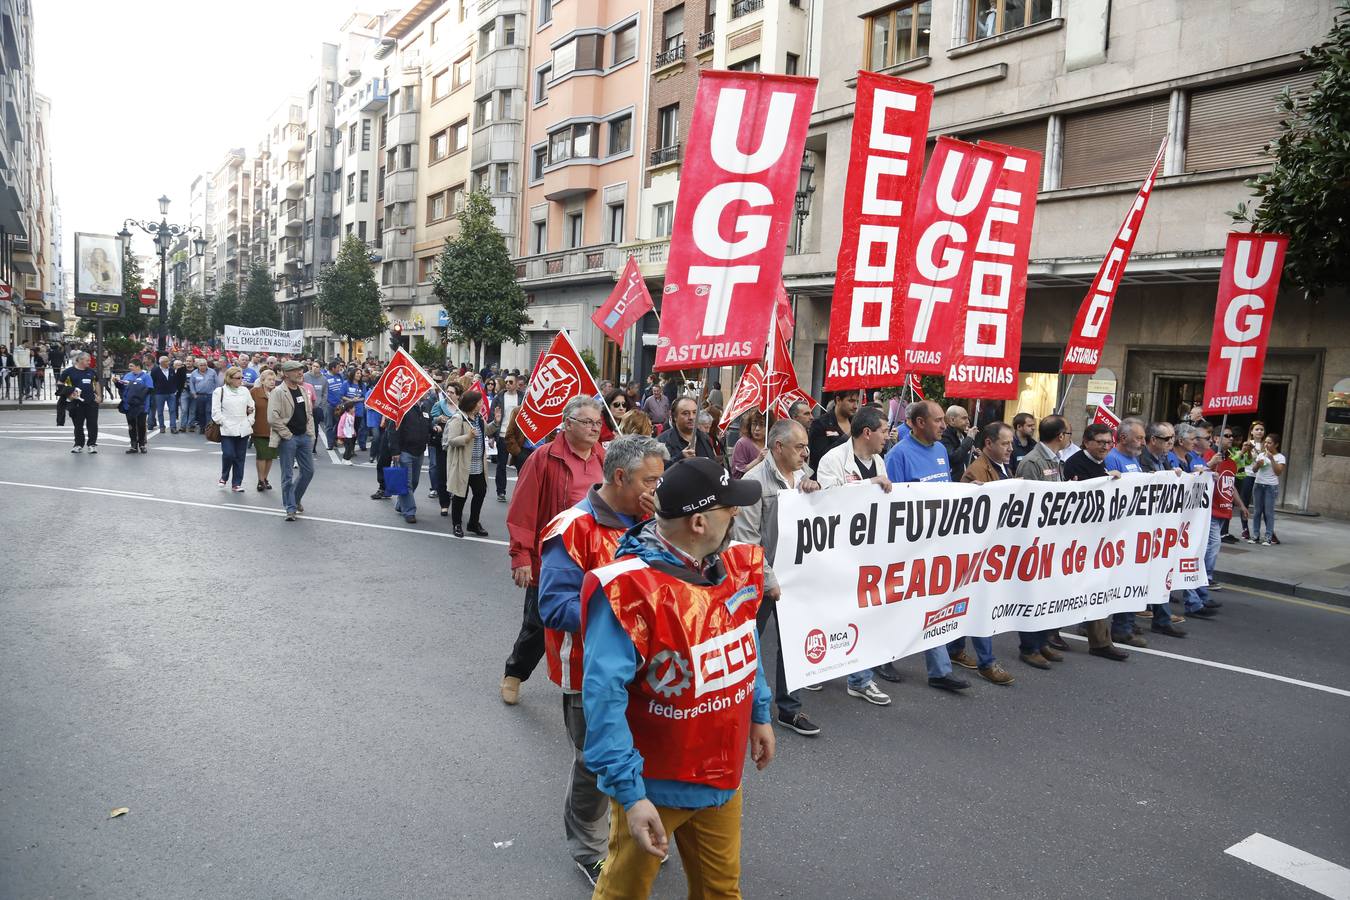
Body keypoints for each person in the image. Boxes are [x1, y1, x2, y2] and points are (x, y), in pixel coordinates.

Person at [582, 458, 773, 898]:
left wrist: (759, 712)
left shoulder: (728, 565)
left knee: (721, 892)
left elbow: (745, 640)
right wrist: (631, 796)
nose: (739, 516)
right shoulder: (628, 590)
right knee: (624, 892)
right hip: (656, 786)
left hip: (721, 778)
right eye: (731, 509)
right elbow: (603, 699)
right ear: (701, 522)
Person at [536, 435, 666, 887]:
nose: (658, 488)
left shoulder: (653, 521)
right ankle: (588, 849)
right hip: (588, 675)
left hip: (646, 672)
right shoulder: (571, 528)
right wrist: (622, 616)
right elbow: (552, 606)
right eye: (651, 480)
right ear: (619, 478)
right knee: (595, 764)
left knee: (638, 755)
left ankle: (630, 826)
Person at [734, 419, 849, 737]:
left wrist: (815, 493)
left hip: (796, 578)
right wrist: (769, 580)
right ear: (778, 447)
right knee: (748, 643)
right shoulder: (753, 481)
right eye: (799, 447)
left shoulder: (806, 477)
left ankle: (790, 709)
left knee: (794, 642)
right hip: (759, 579)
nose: (806, 453)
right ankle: (742, 706)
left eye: (806, 446)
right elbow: (747, 540)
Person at [501, 396, 607, 706]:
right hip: (553, 557)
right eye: (587, 422)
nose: (594, 428)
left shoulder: (605, 459)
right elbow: (522, 511)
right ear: (568, 423)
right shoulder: (544, 459)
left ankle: (586, 680)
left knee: (594, 620)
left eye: (598, 423)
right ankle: (515, 673)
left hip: (595, 557)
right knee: (538, 622)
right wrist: (521, 556)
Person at [879, 401, 977, 691]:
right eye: (937, 421)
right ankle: (883, 657)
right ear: (919, 423)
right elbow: (889, 505)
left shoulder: (940, 451)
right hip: (907, 545)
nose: (944, 426)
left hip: (937, 542)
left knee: (933, 603)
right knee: (899, 604)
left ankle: (940, 671)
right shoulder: (898, 455)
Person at [1013, 415, 1078, 666]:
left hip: (1053, 537)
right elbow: (1028, 503)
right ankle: (1029, 647)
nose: (1070, 439)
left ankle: (1042, 642)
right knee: (1033, 593)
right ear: (1061, 436)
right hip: (1035, 539)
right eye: (1069, 434)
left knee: (1048, 594)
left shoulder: (1056, 460)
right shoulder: (1033, 462)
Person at [268, 361, 316, 522]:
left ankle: (295, 499)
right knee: (287, 474)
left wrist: (310, 433)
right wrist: (286, 434)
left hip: (304, 437)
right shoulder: (278, 392)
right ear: (286, 374)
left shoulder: (302, 390)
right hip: (288, 438)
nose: (300, 373)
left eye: (301, 370)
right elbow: (272, 417)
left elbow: (308, 413)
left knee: (308, 471)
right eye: (296, 371)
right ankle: (290, 508)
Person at [446, 390, 490, 537]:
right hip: (463, 464)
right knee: (460, 496)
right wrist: (467, 436)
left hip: (478, 465)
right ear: (473, 404)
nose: (482, 404)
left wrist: (496, 423)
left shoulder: (478, 417)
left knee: (480, 492)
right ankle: (457, 524)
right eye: (480, 402)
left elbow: (487, 430)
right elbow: (451, 440)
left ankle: (473, 523)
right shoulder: (459, 418)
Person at [387, 391, 433, 525]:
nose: (428, 393)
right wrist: (395, 451)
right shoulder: (403, 407)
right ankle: (410, 511)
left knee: (414, 482)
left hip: (419, 451)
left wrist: (433, 427)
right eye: (425, 391)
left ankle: (401, 504)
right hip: (404, 451)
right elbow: (393, 430)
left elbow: (426, 424)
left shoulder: (425, 407)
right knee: (406, 483)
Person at [213, 366, 256, 492]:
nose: (241, 380)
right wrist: (223, 422)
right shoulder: (220, 391)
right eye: (238, 378)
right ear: (229, 379)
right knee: (228, 454)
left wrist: (250, 420)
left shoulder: (245, 391)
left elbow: (252, 407)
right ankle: (224, 476)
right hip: (227, 429)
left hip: (243, 428)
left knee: (240, 457)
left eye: (242, 378)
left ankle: (236, 483)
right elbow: (215, 411)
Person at [58, 352, 101, 453]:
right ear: (80, 360)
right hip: (76, 403)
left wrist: (99, 396)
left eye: (89, 360)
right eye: (87, 360)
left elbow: (97, 383)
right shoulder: (68, 372)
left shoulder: (91, 372)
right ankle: (78, 444)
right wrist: (68, 394)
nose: (89, 362)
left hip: (91, 402)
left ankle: (92, 444)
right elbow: (60, 383)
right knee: (78, 425)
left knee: (93, 424)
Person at [490, 373, 524, 502]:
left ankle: (520, 492)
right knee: (501, 464)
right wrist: (492, 436)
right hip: (502, 435)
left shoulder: (523, 397)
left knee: (521, 465)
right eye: (506, 382)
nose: (508, 384)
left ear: (516, 384)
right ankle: (501, 491)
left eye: (510, 382)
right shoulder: (499, 397)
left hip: (518, 437)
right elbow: (492, 415)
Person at [656, 397, 718, 468]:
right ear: (675, 416)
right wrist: (680, 458)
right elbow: (658, 471)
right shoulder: (662, 442)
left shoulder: (705, 438)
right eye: (685, 413)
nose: (691, 417)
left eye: (694, 412)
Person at [807, 390, 858, 472]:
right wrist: (847, 436)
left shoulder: (856, 423)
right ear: (838, 400)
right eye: (851, 401)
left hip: (851, 478)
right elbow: (819, 457)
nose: (855, 406)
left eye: (857, 401)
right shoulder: (820, 423)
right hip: (825, 478)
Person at [1249, 434, 1286, 545]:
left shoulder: (1280, 457)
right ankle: (1255, 535)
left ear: (1276, 444)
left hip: (1271, 486)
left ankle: (1268, 537)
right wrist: (1258, 465)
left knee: (1268, 512)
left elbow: (1278, 472)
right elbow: (1254, 470)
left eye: (1269, 443)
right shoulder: (1261, 455)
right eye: (1266, 442)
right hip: (1258, 484)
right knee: (1257, 512)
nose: (1266, 444)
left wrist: (1272, 459)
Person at [1236, 421, 1266, 540]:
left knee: (1263, 505)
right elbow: (1246, 459)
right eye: (1257, 429)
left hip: (1262, 477)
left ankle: (1267, 531)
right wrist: (1249, 449)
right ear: (1252, 432)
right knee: (1245, 501)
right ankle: (1244, 528)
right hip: (1248, 475)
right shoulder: (1247, 444)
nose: (1259, 432)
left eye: (1261, 430)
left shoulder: (1266, 444)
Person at [250, 369, 278, 491]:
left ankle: (265, 478)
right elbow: (247, 406)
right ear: (262, 381)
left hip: (274, 430)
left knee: (270, 456)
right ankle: (260, 480)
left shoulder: (277, 393)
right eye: (269, 380)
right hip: (259, 428)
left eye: (274, 380)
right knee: (262, 455)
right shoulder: (254, 392)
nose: (272, 382)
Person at [118, 359, 153, 454]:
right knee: (131, 426)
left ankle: (142, 444)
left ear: (138, 366)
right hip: (129, 405)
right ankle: (133, 445)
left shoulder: (146, 377)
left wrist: (135, 389)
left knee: (141, 425)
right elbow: (122, 387)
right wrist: (117, 383)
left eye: (131, 366)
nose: (129, 368)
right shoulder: (127, 375)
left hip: (141, 405)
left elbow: (149, 389)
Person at [940, 404, 979, 481]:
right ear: (952, 420)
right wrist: (969, 439)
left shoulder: (964, 434)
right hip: (955, 483)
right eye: (964, 418)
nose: (968, 422)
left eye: (968, 418)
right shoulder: (944, 436)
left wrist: (975, 453)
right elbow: (954, 458)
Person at [188, 358, 221, 439]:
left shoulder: (212, 372)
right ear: (198, 366)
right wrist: (194, 393)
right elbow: (191, 384)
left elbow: (216, 383)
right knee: (201, 412)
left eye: (204, 365)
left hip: (210, 395)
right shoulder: (194, 373)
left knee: (208, 411)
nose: (203, 367)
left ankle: (208, 427)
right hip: (199, 395)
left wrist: (216, 393)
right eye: (201, 365)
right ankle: (202, 427)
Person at [730, 409, 766, 478]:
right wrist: (758, 460)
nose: (757, 428)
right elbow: (738, 472)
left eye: (762, 424)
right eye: (754, 424)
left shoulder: (771, 444)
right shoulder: (742, 443)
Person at [149, 355, 179, 433]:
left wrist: (175, 389)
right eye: (166, 361)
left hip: (171, 393)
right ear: (162, 363)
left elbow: (175, 380)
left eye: (168, 361)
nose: (168, 362)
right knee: (160, 411)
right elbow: (152, 381)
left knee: (172, 410)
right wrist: (155, 390)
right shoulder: (155, 370)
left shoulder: (171, 370)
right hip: (159, 394)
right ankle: (162, 426)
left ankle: (173, 427)